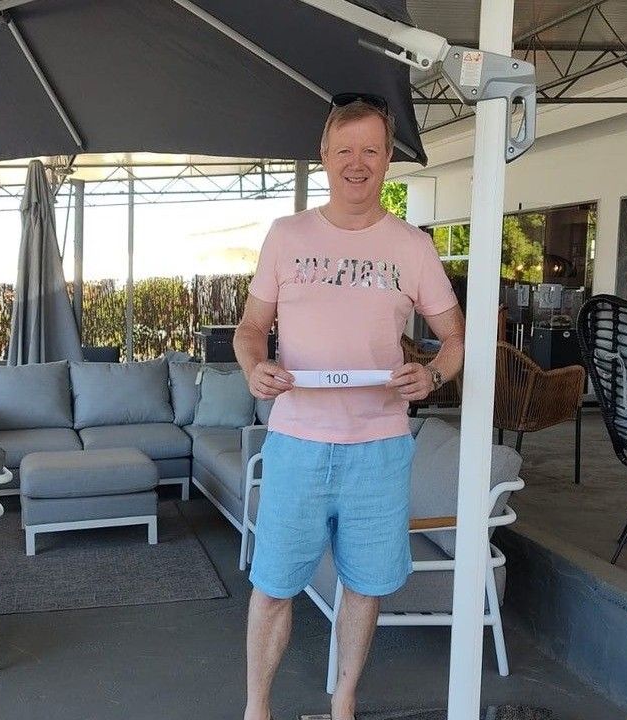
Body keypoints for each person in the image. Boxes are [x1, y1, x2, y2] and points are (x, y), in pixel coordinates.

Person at [234, 93, 465, 720]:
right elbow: (250, 328)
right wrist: (255, 367)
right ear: (324, 156)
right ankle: (257, 709)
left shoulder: (412, 246)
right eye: (344, 151)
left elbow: (455, 337)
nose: (356, 163)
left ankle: (344, 704)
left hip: (380, 448)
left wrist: (433, 374)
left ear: (388, 159)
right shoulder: (286, 236)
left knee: (364, 587)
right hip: (297, 444)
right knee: (273, 586)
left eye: (370, 151)